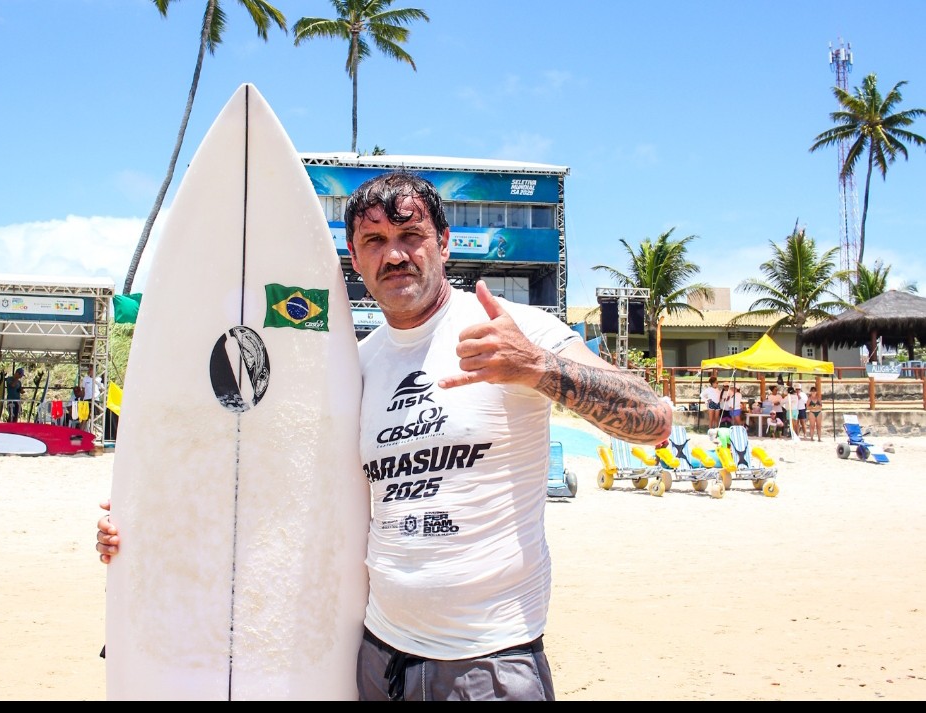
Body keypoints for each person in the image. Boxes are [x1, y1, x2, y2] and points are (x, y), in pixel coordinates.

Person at [95, 170, 672, 701]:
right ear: (355, 258)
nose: (394, 254)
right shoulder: (352, 366)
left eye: (410, 235)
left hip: (489, 658)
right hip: (376, 656)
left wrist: (538, 368)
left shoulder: (515, 331)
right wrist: (148, 524)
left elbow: (655, 420)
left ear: (443, 243)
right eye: (374, 242)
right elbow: (275, 482)